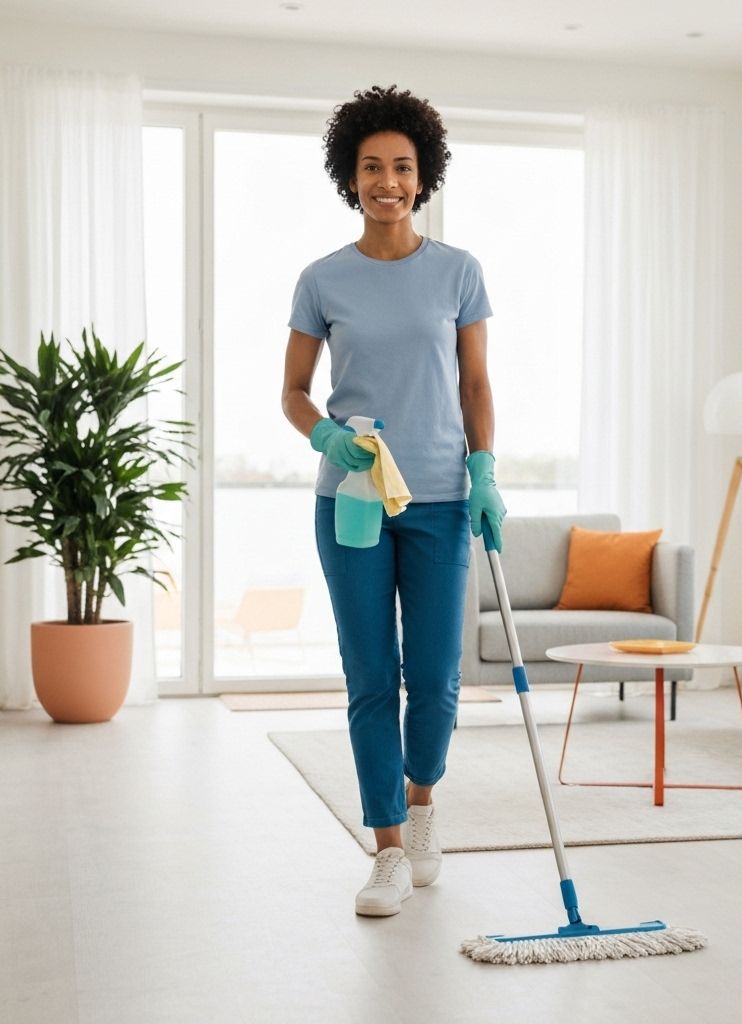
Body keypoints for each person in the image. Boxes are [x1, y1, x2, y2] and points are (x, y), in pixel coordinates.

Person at [281, 84, 506, 918]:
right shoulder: (321, 279)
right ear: (350, 175)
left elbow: (476, 382)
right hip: (354, 499)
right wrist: (323, 438)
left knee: (437, 678)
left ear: (424, 178)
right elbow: (295, 392)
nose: (386, 180)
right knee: (371, 675)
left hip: (446, 495)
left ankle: (421, 810)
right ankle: (383, 852)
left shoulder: (458, 272)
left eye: (401, 167)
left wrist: (485, 470)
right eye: (370, 166)